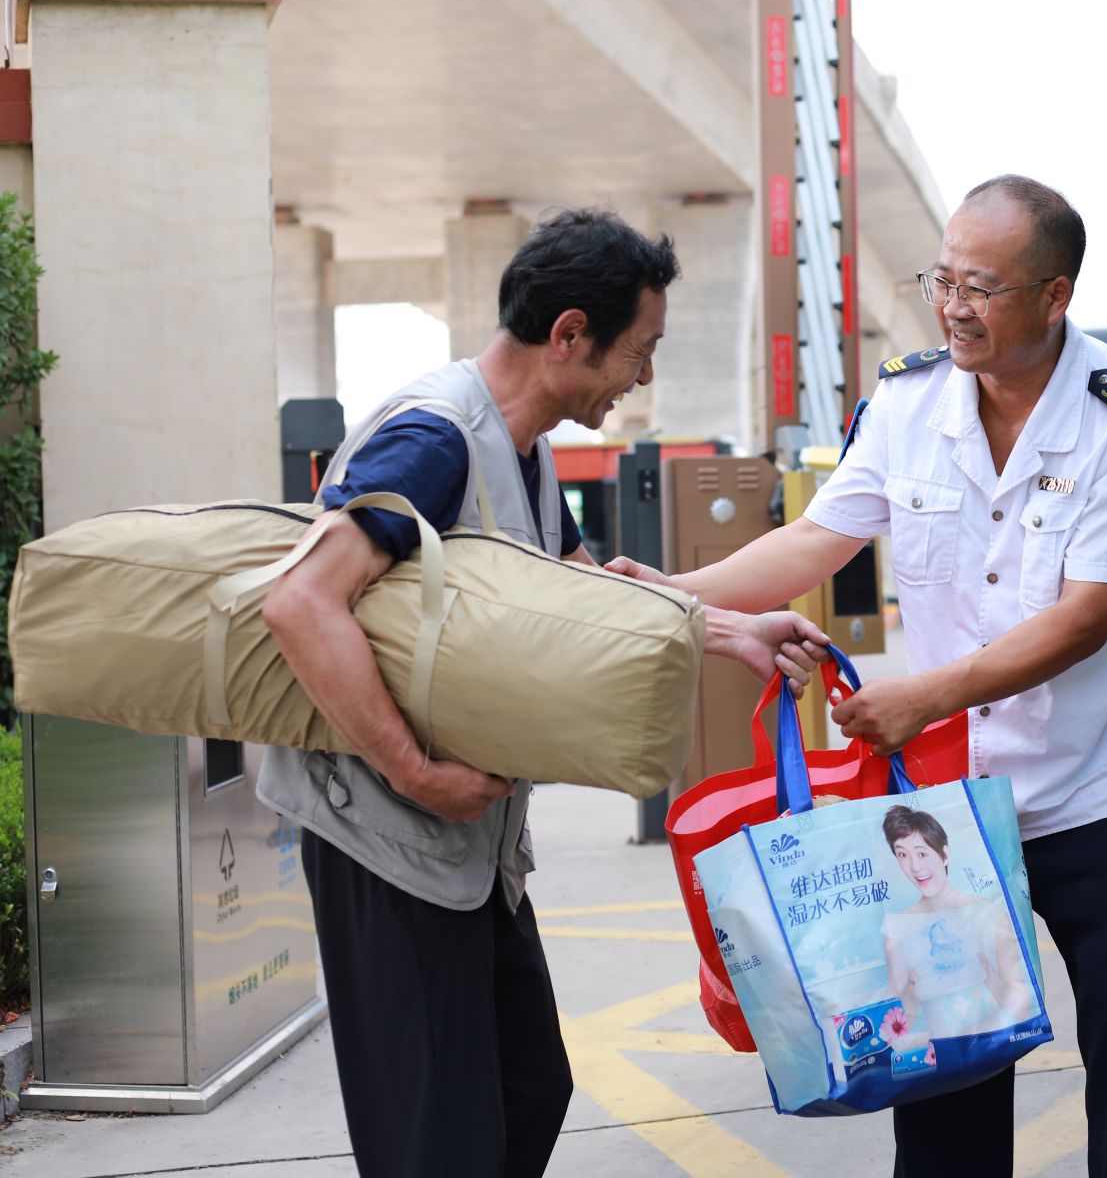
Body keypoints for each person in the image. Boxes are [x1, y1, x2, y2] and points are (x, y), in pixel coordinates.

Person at [610, 176, 1107, 1176]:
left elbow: (1083, 621)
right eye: (942, 278)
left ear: (1055, 295)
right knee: (945, 1084)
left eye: (981, 287)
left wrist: (921, 698)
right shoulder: (910, 402)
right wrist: (673, 594)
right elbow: (817, 538)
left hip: (1105, 793)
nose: (952, 306)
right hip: (952, 805)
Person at [256, 208, 829, 1178]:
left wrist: (737, 632)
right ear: (569, 334)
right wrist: (415, 771)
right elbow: (301, 600)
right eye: (639, 350)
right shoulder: (434, 438)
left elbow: (582, 591)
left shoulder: (525, 446)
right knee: (437, 1140)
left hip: (468, 842)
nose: (642, 377)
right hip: (384, 833)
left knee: (529, 1085)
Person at [880, 805, 1034, 1041]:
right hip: (939, 1054)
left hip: (993, 1043)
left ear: (945, 855)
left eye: (922, 853)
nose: (915, 867)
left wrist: (989, 976)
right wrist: (909, 990)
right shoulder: (897, 927)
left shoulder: (986, 912)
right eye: (902, 854)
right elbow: (899, 1019)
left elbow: (1021, 1001)